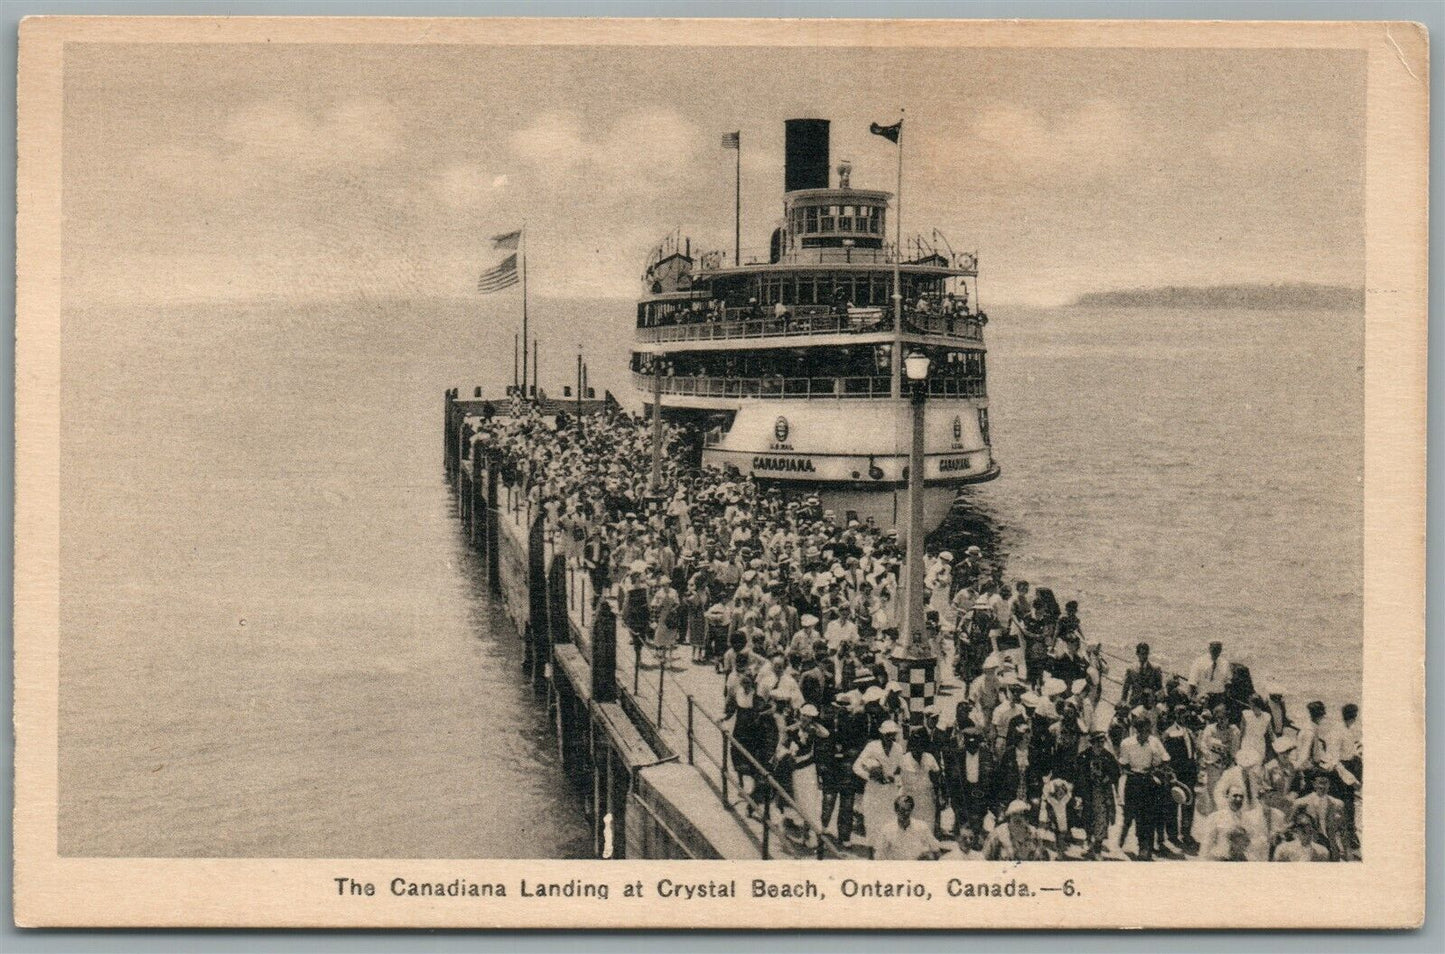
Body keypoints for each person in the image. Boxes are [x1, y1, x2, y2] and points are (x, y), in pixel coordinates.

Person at [1118, 715, 1171, 860]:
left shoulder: (1154, 741)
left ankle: (1144, 847)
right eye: (1143, 731)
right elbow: (1123, 764)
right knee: (1129, 814)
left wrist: (1158, 765)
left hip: (1149, 780)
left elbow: (1166, 758)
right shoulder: (1126, 743)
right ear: (1136, 730)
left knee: (1146, 816)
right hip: (1133, 780)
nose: (1146, 734)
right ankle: (1122, 835)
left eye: (1148, 730)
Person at [853, 720, 908, 850]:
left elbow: (901, 770)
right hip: (873, 791)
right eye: (887, 734)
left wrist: (894, 779)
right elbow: (856, 766)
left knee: (890, 824)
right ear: (882, 734)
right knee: (873, 824)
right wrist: (870, 776)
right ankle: (872, 855)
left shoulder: (898, 749)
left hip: (890, 792)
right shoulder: (872, 746)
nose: (890, 737)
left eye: (892, 734)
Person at [1076, 730, 1121, 858]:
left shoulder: (1108, 756)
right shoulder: (1084, 756)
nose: (1100, 744)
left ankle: (1098, 848)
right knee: (1087, 817)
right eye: (1097, 742)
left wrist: (1108, 778)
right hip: (1088, 792)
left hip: (1103, 793)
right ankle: (1088, 840)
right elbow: (1078, 773)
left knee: (1102, 819)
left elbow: (1116, 773)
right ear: (1092, 743)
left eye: (1102, 742)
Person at [898, 728, 943, 835]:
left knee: (927, 831)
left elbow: (937, 778)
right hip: (910, 802)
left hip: (927, 801)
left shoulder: (929, 758)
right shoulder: (903, 759)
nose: (918, 747)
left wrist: (939, 797)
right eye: (915, 744)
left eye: (921, 744)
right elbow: (896, 779)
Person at [872, 794, 943, 860]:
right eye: (902, 810)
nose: (905, 814)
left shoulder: (922, 827)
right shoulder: (887, 830)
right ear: (896, 810)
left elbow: (936, 851)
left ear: (911, 810)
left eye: (908, 810)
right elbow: (879, 856)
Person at [981, 800, 1049, 861]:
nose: (1018, 818)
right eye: (1014, 814)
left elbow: (1042, 860)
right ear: (1009, 816)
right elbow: (986, 859)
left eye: (1021, 814)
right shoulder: (998, 834)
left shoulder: (1034, 834)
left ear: (1026, 817)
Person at [1187, 641, 1232, 709]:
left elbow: (1228, 681)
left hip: (1219, 698)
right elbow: (1192, 682)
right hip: (1203, 698)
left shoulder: (1225, 663)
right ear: (1209, 648)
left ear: (1221, 650)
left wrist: (1226, 697)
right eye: (1214, 649)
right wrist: (1192, 699)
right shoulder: (1199, 662)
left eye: (1218, 649)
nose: (1216, 651)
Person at [1120, 641, 1163, 710]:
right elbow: (1126, 687)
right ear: (1137, 654)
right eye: (1142, 654)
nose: (1144, 656)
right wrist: (1123, 701)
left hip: (1149, 705)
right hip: (1134, 703)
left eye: (1146, 653)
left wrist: (1153, 695)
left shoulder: (1155, 669)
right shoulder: (1131, 669)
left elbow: (1159, 688)